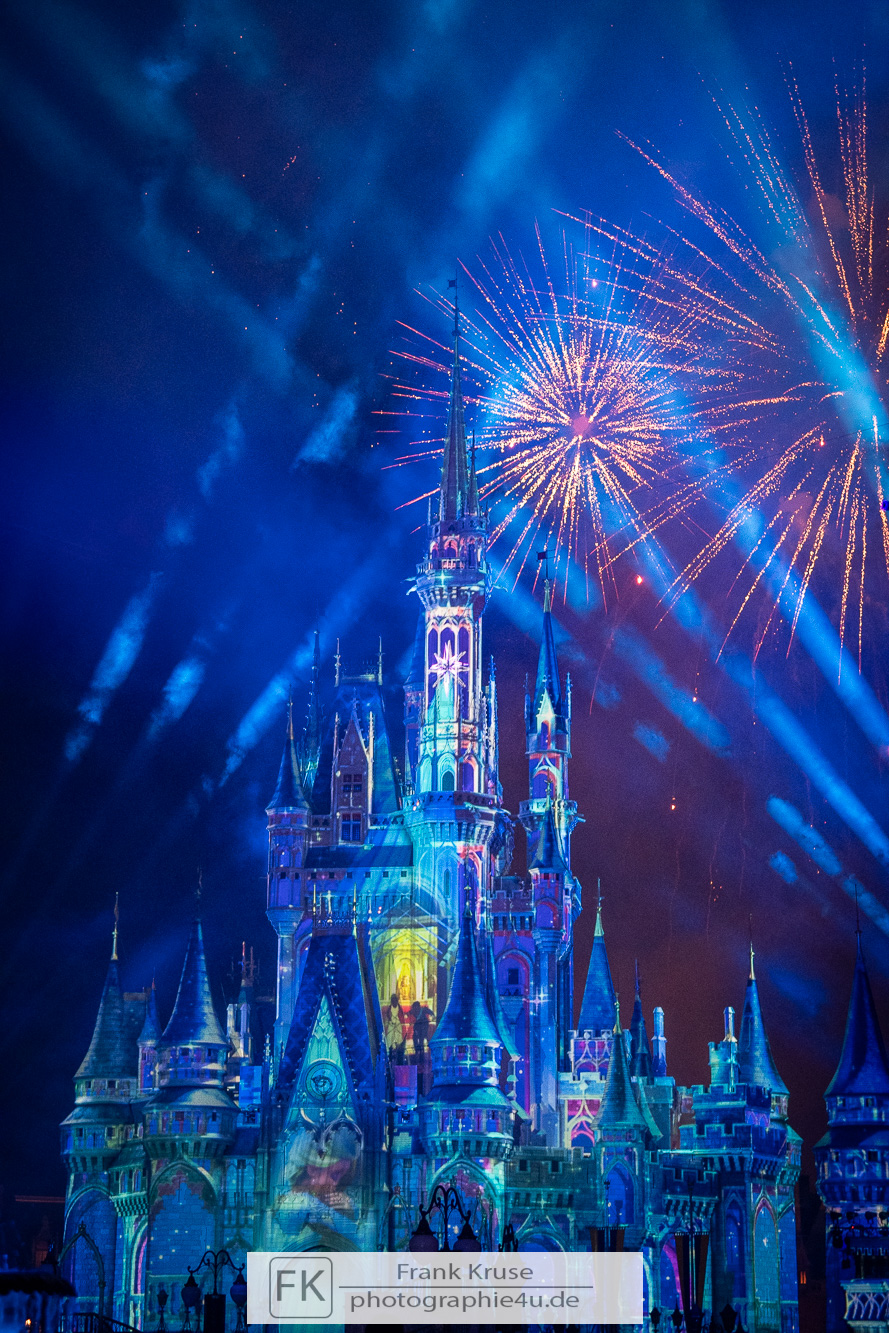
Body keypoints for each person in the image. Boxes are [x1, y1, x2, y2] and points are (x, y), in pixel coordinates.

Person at [384, 993, 405, 1063]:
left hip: (398, 1025)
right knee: (390, 1039)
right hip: (391, 1025)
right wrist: (389, 1022)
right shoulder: (389, 1009)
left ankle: (399, 1057)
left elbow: (402, 1018)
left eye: (395, 1000)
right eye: (392, 1000)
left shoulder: (400, 1009)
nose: (394, 1002)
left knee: (398, 1041)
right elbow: (387, 1017)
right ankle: (389, 1056)